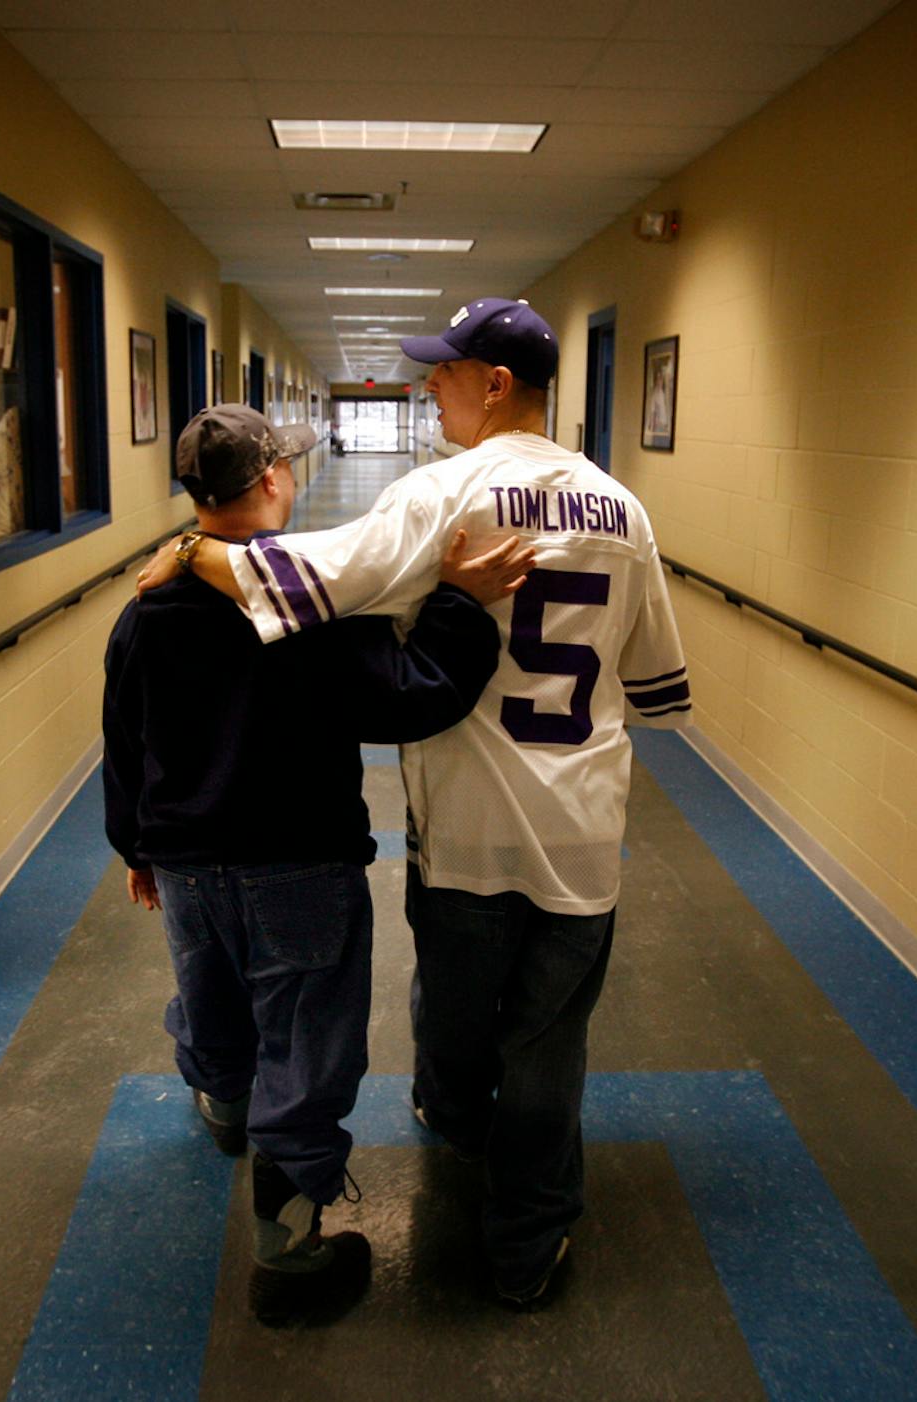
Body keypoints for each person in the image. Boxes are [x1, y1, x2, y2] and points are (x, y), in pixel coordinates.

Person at [136, 298, 691, 1309]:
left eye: (445, 369)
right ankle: (526, 1247)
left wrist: (189, 552)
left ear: (495, 384)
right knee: (549, 1047)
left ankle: (449, 1111)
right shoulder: (626, 509)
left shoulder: (446, 493)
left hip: (471, 830)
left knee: (457, 1013)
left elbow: (305, 579)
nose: (428, 383)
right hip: (581, 837)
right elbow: (658, 688)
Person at [102, 403, 527, 1327]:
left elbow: (125, 741)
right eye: (285, 467)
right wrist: (460, 605)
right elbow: (414, 700)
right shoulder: (314, 610)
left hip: (183, 865)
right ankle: (289, 1256)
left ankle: (221, 1104)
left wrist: (136, 845)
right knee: (305, 1040)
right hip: (298, 867)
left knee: (207, 989)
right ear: (269, 483)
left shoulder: (146, 608)